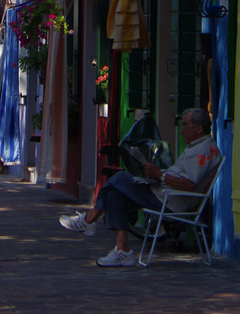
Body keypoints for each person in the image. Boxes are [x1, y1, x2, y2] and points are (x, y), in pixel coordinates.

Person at [59, 107, 221, 267]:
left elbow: (189, 184)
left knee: (121, 177)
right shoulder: (196, 146)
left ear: (199, 129)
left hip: (170, 201)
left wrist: (160, 175)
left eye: (186, 126)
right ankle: (123, 251)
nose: (182, 131)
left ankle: (89, 219)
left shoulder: (204, 150)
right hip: (164, 193)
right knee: (115, 196)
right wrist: (157, 175)